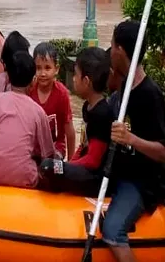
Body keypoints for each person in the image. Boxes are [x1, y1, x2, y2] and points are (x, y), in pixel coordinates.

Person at [103, 20, 165, 262]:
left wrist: (131, 139)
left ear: (120, 51)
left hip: (144, 182)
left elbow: (164, 152)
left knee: (111, 231)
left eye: (112, 46)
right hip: (123, 170)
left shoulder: (149, 95)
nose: (109, 52)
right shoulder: (123, 89)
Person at [0, 50, 56, 188]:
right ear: (33, 81)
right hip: (24, 179)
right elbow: (48, 154)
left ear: (8, 78)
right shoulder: (38, 112)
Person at [40, 46, 113, 194]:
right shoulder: (88, 107)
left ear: (86, 81)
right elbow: (84, 146)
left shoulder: (102, 113)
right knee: (55, 167)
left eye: (76, 74)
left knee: (49, 166)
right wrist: (70, 164)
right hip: (85, 169)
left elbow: (93, 160)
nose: (73, 78)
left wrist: (69, 168)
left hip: (95, 177)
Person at [31, 42, 75, 158]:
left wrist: (71, 163)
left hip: (56, 148)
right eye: (38, 68)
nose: (43, 73)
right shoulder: (29, 91)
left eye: (47, 68)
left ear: (56, 69)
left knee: (52, 166)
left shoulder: (62, 94)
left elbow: (69, 131)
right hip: (33, 148)